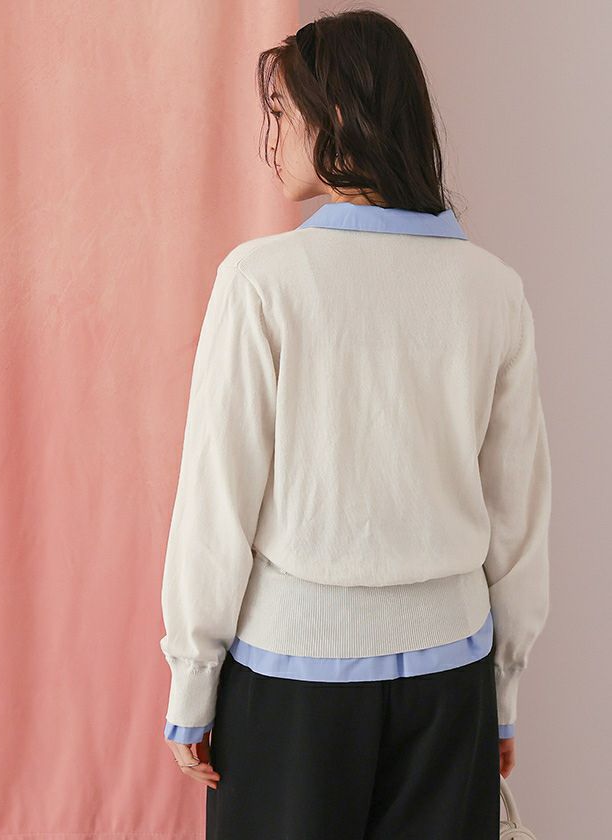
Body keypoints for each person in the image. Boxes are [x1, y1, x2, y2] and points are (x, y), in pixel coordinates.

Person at [160, 9, 551, 840]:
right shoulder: (492, 289)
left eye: (282, 112)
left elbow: (217, 499)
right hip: (450, 678)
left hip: (294, 679)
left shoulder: (261, 281)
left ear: (336, 116)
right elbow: (518, 515)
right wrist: (501, 694)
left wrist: (194, 680)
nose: (272, 137)